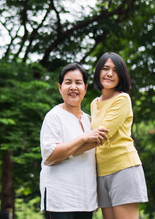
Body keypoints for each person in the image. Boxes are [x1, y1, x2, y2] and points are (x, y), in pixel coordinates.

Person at [40, 63, 109, 219]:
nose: (73, 87)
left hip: (86, 200)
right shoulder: (54, 117)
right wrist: (83, 138)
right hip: (60, 200)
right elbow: (50, 156)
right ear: (60, 87)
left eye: (78, 83)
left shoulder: (89, 120)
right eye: (68, 82)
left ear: (85, 87)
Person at [90, 52, 148, 219]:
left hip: (123, 168)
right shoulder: (94, 103)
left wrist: (69, 148)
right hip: (101, 172)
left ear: (121, 75)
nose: (109, 74)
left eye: (115, 70)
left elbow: (101, 134)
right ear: (98, 72)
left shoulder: (122, 99)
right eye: (105, 68)